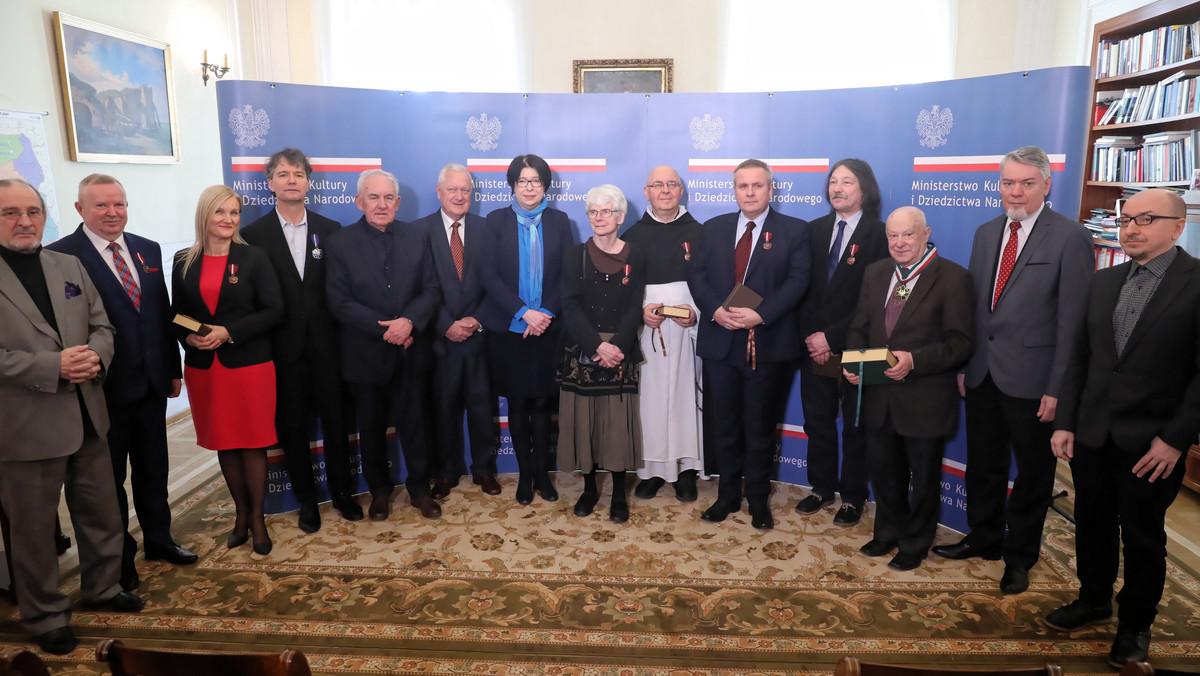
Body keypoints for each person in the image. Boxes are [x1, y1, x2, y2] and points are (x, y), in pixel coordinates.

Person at [1048, 188, 1200, 667]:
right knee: (1091, 525)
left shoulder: (1196, 283)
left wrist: (1176, 439)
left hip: (1153, 444)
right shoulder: (1104, 280)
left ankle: (1136, 623)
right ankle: (1094, 600)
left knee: (1142, 537)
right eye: (1125, 219)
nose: (1130, 228)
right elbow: (1082, 358)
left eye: (1145, 219)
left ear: (1178, 227)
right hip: (1093, 433)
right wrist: (1066, 421)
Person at [932, 146, 1094, 595]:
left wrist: (1058, 388)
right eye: (1008, 182)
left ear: (1046, 185)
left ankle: (1020, 556)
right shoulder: (986, 233)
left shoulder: (1069, 237)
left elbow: (1073, 322)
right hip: (983, 373)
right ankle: (984, 538)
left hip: (1035, 381)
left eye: (1026, 183)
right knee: (983, 463)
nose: (1015, 192)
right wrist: (965, 365)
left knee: (1032, 475)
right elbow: (977, 308)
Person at [0, 178, 145, 655]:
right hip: (25, 427)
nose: (24, 221)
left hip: (86, 413)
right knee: (34, 528)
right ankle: (44, 615)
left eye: (33, 211)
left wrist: (95, 357)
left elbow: (102, 323)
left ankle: (102, 588)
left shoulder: (67, 264)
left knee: (102, 510)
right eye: (10, 213)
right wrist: (51, 366)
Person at [47, 174, 196, 592]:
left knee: (154, 469)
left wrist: (173, 369)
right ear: (80, 210)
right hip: (101, 392)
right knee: (107, 482)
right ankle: (120, 559)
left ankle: (160, 540)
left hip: (150, 386)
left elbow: (160, 313)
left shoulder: (147, 249)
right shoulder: (59, 256)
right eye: (101, 206)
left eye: (119, 204)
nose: (113, 213)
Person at [844, 206, 973, 571]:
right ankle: (887, 532)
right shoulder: (875, 273)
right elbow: (859, 326)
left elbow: (960, 343)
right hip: (878, 397)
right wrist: (854, 364)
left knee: (923, 477)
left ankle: (915, 542)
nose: (899, 243)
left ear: (926, 233)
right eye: (893, 236)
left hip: (924, 398)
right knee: (884, 472)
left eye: (908, 235)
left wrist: (914, 360)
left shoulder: (953, 278)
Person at [241, 148, 364, 532]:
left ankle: (342, 493)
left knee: (336, 423)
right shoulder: (252, 236)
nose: (291, 180)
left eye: (298, 173)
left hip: (330, 347)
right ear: (270, 183)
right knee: (293, 429)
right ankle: (307, 501)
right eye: (282, 174)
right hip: (281, 351)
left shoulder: (330, 231)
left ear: (309, 182)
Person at [688, 158, 810, 531]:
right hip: (721, 342)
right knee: (724, 425)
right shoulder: (712, 228)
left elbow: (797, 282)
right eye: (743, 186)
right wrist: (715, 311)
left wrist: (762, 315)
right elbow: (697, 275)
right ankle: (726, 496)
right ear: (734, 189)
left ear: (771, 189)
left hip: (767, 345)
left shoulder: (795, 230)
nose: (750, 192)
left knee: (759, 427)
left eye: (758, 186)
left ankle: (758, 500)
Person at [172, 185, 284, 556]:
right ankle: (240, 514)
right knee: (225, 443)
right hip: (206, 367)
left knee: (252, 442)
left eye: (234, 213)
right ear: (205, 215)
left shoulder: (255, 258)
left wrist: (228, 332)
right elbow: (176, 316)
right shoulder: (183, 260)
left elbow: (273, 310)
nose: (227, 220)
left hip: (248, 365)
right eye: (220, 212)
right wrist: (190, 338)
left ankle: (257, 519)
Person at [326, 169, 441, 520]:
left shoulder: (418, 236)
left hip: (411, 350)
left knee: (416, 424)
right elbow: (338, 300)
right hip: (365, 353)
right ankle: (379, 491)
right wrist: (386, 330)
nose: (381, 204)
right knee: (371, 428)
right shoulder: (339, 242)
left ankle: (420, 488)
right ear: (359, 201)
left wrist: (409, 322)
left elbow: (432, 289)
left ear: (398, 202)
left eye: (388, 198)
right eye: (373, 197)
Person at [796, 159, 889, 527]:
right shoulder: (813, 230)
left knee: (855, 424)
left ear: (864, 188)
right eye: (833, 181)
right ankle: (821, 486)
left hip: (858, 344)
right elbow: (800, 289)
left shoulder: (882, 234)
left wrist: (831, 338)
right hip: (813, 344)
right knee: (817, 421)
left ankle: (853, 495)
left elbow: (875, 301)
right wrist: (812, 337)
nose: (837, 188)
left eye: (847, 182)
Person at [477, 155, 574, 505]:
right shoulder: (495, 221)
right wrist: (523, 312)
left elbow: (567, 274)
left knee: (543, 404)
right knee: (517, 403)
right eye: (522, 181)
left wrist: (543, 313)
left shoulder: (560, 221)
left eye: (535, 181)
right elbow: (488, 275)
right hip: (510, 328)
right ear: (512, 185)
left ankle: (541, 476)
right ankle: (524, 477)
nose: (529, 187)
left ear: (546, 185)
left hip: (548, 328)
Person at [558, 185, 647, 523]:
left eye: (605, 211)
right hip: (584, 349)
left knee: (617, 426)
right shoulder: (574, 254)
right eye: (593, 211)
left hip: (620, 350)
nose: (598, 217)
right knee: (587, 424)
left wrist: (617, 347)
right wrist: (596, 346)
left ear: (620, 217)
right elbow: (570, 305)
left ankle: (619, 494)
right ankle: (590, 489)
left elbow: (633, 305)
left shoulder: (635, 255)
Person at [414, 164, 502, 500]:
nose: (459, 196)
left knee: (482, 408)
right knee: (443, 409)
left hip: (479, 337)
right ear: (439, 192)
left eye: (465, 190)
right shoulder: (419, 231)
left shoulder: (486, 229)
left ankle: (484, 469)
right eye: (452, 189)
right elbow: (417, 288)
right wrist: (444, 324)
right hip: (440, 341)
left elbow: (498, 282)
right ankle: (446, 472)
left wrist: (477, 319)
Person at [622, 166, 704, 502]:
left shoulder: (701, 233)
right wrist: (640, 312)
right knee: (651, 403)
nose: (665, 190)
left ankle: (686, 471)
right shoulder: (631, 236)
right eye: (658, 184)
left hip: (688, 333)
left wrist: (696, 313)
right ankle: (652, 471)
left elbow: (711, 283)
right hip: (649, 333)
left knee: (686, 399)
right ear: (646, 192)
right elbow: (624, 288)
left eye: (672, 184)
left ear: (681, 190)